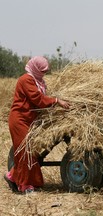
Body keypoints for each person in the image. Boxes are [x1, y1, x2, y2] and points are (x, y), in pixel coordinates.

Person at [4, 56, 70, 194]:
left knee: (28, 151)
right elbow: (37, 99)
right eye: (42, 71)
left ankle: (12, 176)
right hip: (19, 120)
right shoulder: (26, 80)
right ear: (35, 68)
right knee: (25, 152)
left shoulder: (37, 80)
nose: (44, 73)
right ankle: (24, 185)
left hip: (28, 119)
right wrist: (57, 101)